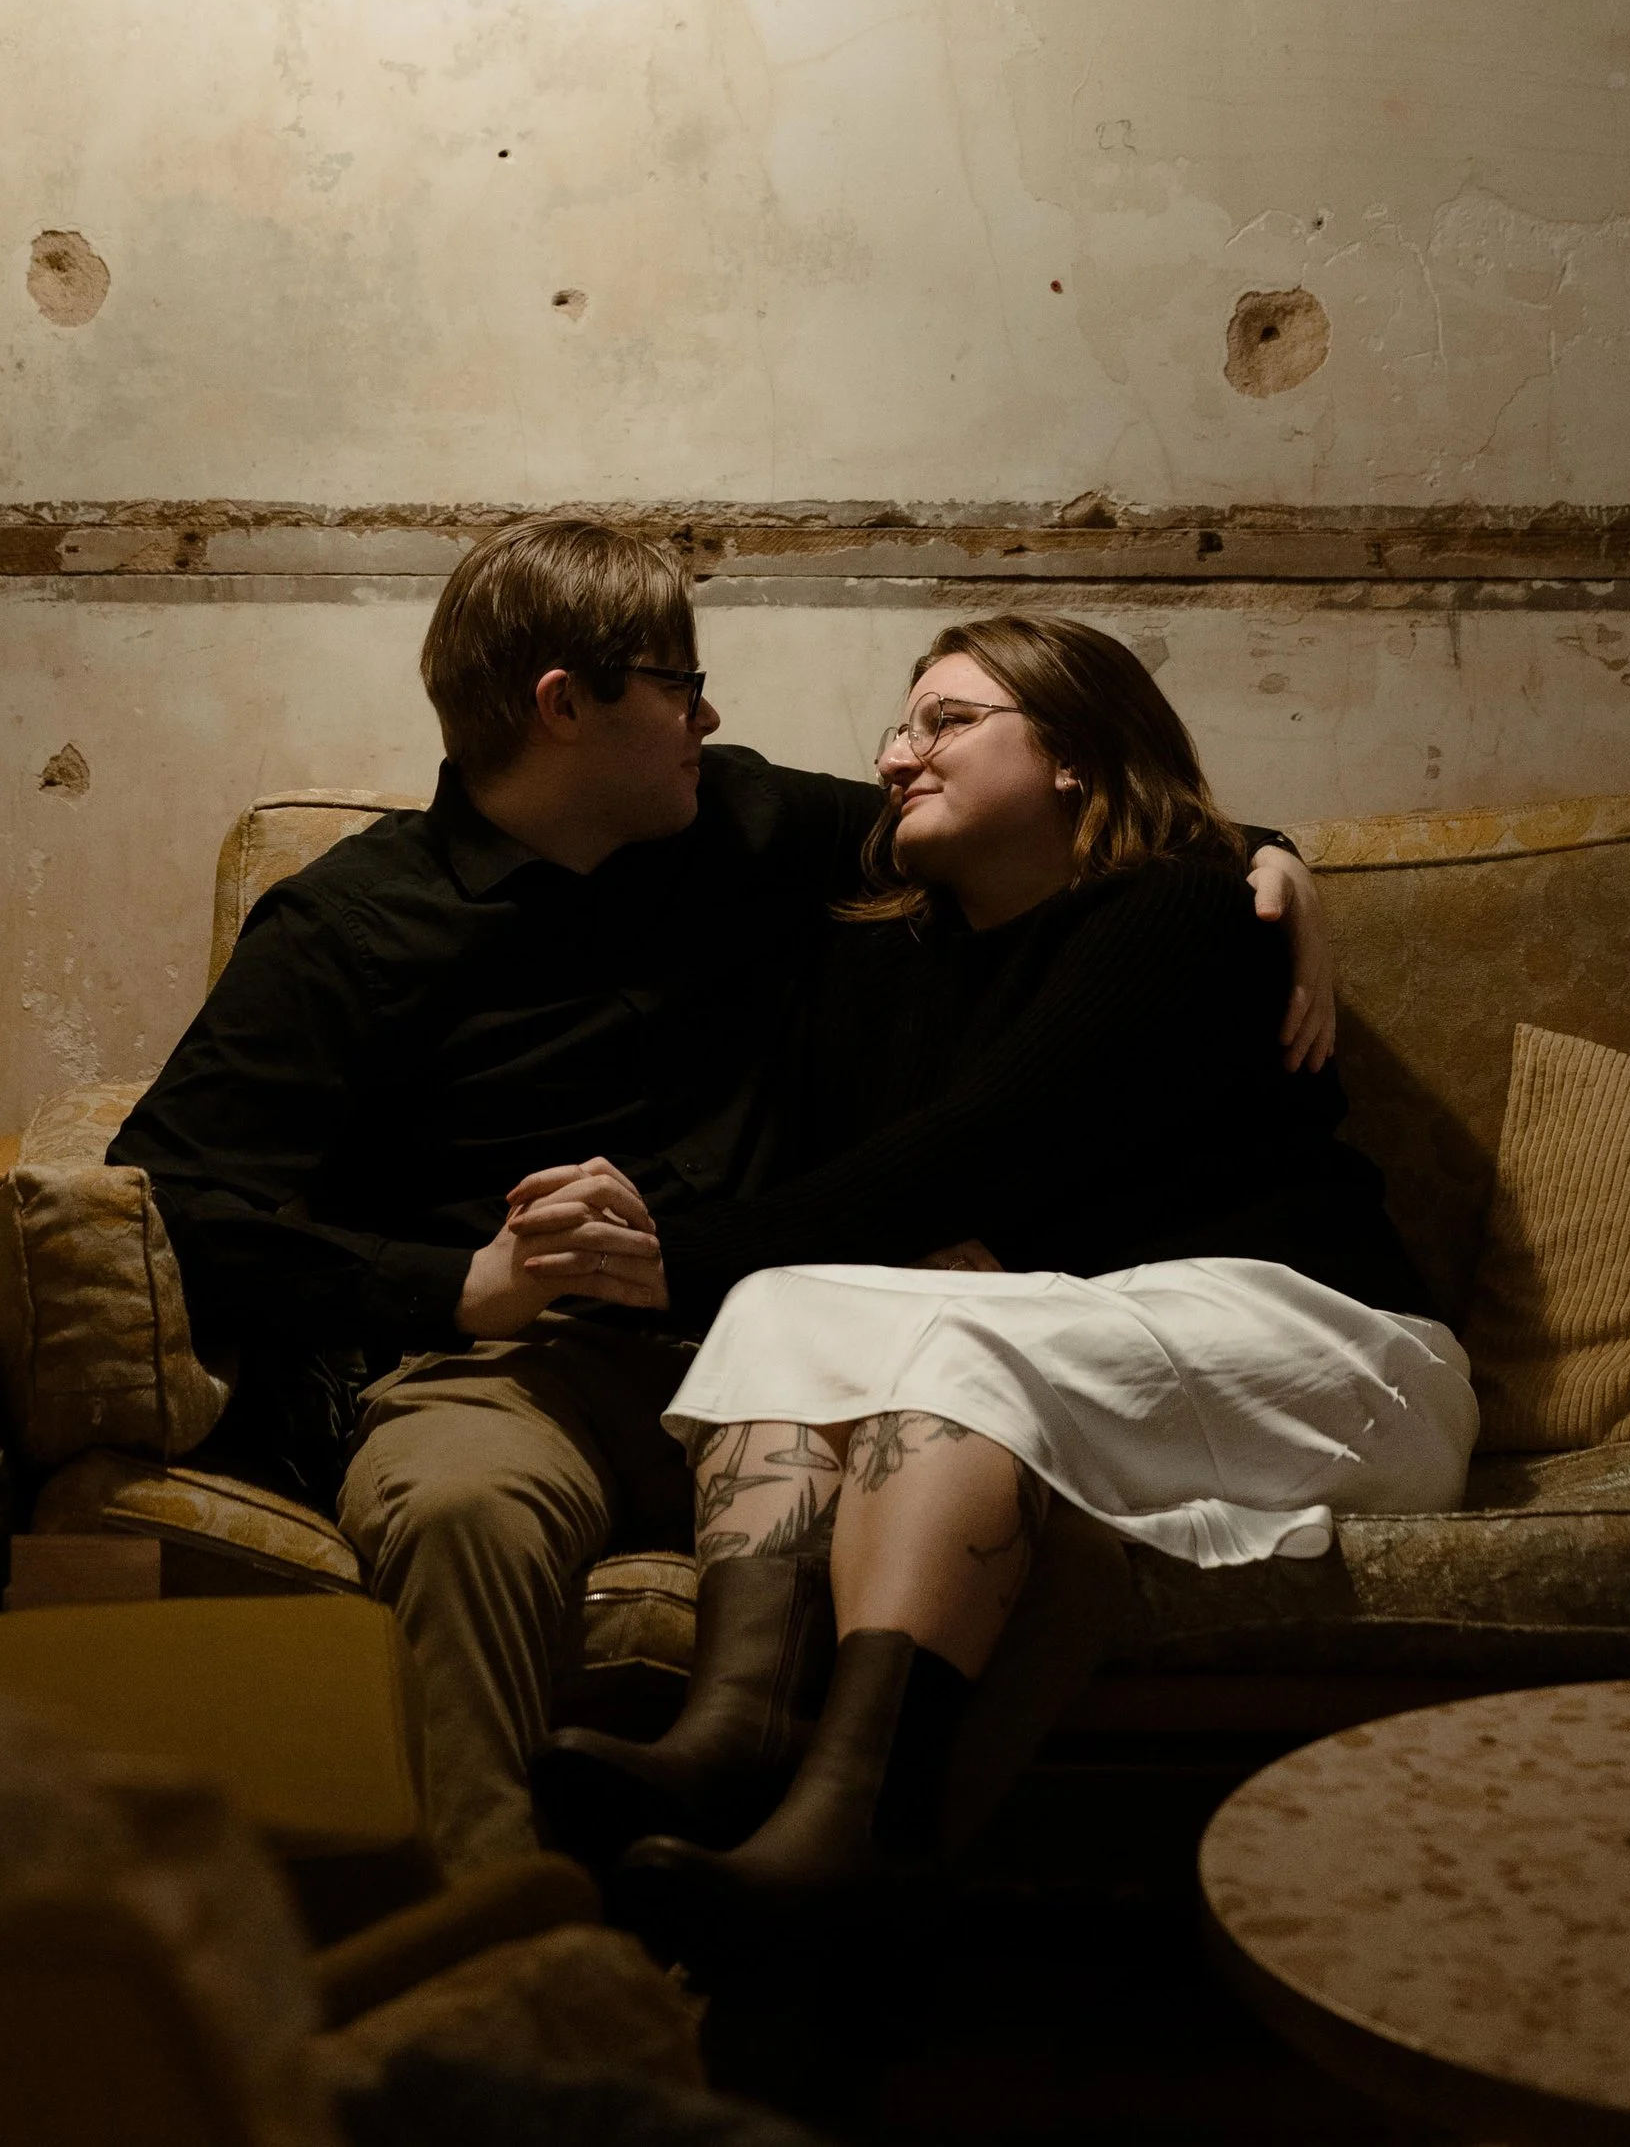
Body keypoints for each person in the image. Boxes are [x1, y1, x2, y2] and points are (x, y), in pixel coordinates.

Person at [111, 518, 1335, 1867]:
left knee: (1020, 1516)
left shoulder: (749, 824)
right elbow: (165, 1204)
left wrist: (1267, 858)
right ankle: (499, 1950)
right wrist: (462, 1285)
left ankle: (811, 1959)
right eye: (677, 682)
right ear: (565, 705)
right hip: (524, 1364)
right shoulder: (347, 926)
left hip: (793, 1353)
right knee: (462, 1507)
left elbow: (1056, 807)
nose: (711, 711)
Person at [517, 615, 1476, 1930]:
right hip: (1090, 1336)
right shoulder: (886, 964)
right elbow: (896, 1213)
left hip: (1327, 1347)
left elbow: (981, 1150)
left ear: (1078, 753)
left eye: (950, 722)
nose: (902, 755)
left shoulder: (1187, 912)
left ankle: (864, 1813)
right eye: (900, 729)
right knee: (784, 1302)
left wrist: (665, 1260)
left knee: (945, 1347)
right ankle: (738, 1725)